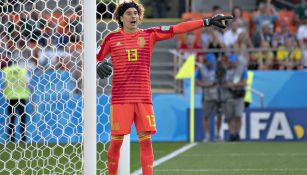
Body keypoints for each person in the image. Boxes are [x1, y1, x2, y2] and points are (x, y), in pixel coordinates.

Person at [95, 1, 232, 174]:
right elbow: (95, 58)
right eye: (129, 13)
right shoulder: (111, 38)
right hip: (120, 99)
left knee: (146, 141)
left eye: (135, 13)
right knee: (116, 142)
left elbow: (178, 28)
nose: (133, 16)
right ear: (121, 18)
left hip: (144, 98)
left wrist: (206, 21)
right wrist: (96, 66)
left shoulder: (149, 35)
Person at [195, 53, 222, 142]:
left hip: (218, 95)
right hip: (207, 96)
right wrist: (207, 85)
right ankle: (207, 135)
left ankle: (218, 134)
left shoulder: (218, 68)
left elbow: (223, 80)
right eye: (210, 62)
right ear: (206, 61)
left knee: (219, 115)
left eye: (213, 62)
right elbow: (197, 82)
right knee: (205, 116)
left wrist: (218, 84)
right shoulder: (201, 69)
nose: (211, 63)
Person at [2, 61, 31, 143]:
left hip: (11, 97)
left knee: (11, 119)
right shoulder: (23, 70)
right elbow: (27, 82)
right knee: (23, 119)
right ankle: (23, 139)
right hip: (22, 97)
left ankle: (11, 140)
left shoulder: (6, 70)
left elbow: (3, 82)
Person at [223, 54, 247, 141]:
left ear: (237, 62)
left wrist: (233, 84)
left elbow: (244, 83)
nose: (232, 64)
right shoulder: (225, 71)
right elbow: (222, 82)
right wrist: (227, 85)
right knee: (229, 117)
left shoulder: (242, 70)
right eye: (231, 62)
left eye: (234, 62)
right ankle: (232, 134)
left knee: (238, 116)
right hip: (228, 95)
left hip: (238, 95)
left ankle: (237, 133)